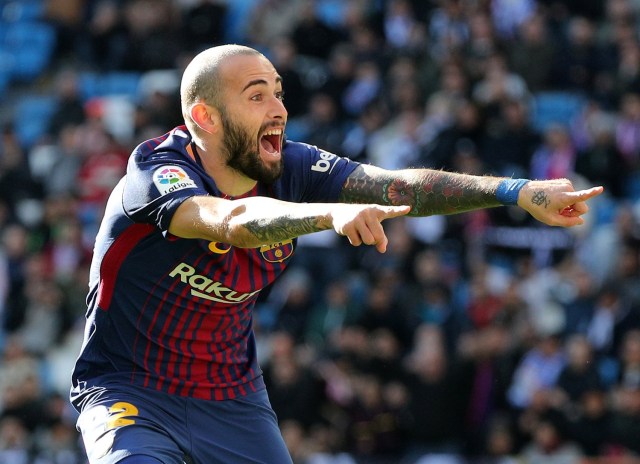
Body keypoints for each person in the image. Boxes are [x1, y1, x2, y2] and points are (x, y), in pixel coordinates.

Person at [69, 44, 603, 464]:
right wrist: (329, 215)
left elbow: (396, 187)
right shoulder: (157, 174)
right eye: (257, 96)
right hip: (131, 390)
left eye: (279, 93)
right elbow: (230, 222)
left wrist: (513, 191)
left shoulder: (291, 166)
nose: (279, 108)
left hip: (231, 398)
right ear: (205, 116)